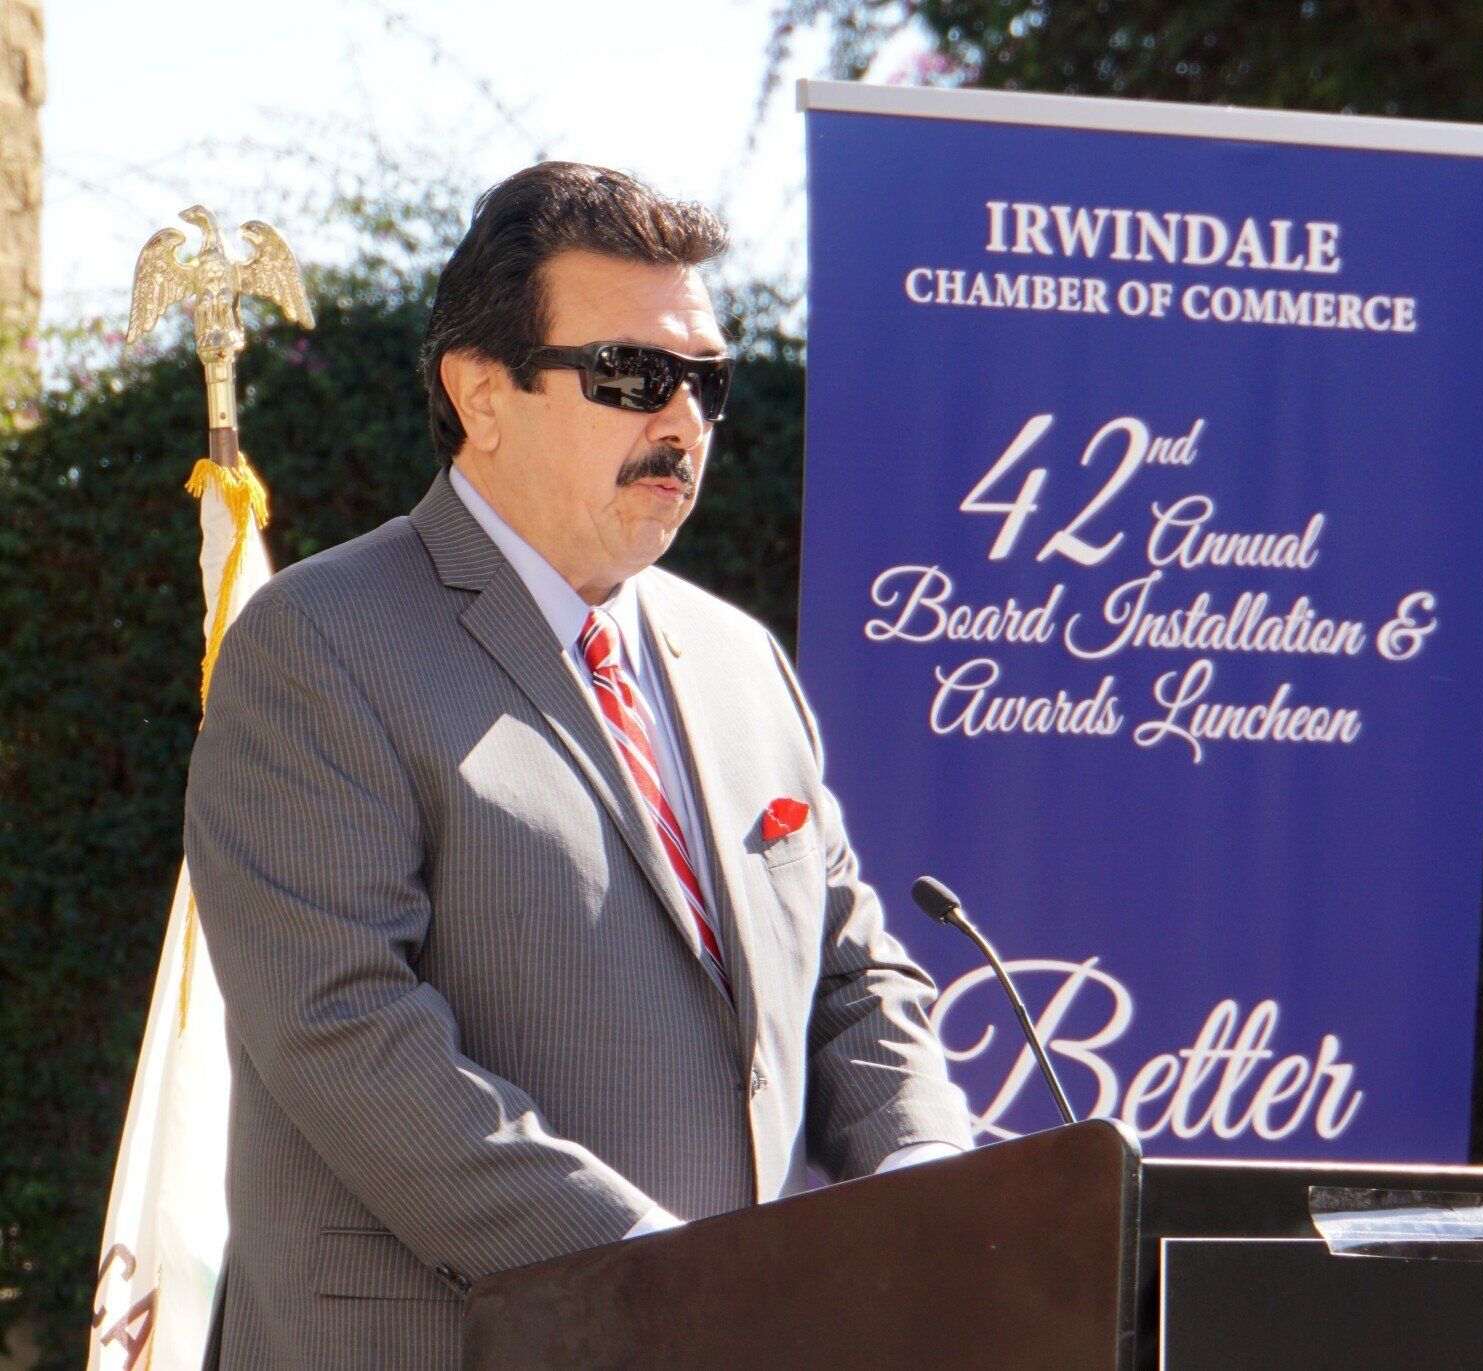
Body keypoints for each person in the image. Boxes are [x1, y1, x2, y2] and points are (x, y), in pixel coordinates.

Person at [184, 161, 973, 1369]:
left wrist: (931, 1181)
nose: (682, 423)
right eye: (630, 376)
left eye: (706, 382)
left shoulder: (740, 658)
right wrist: (663, 1277)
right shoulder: (319, 641)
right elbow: (342, 1030)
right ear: (481, 392)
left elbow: (853, 971)